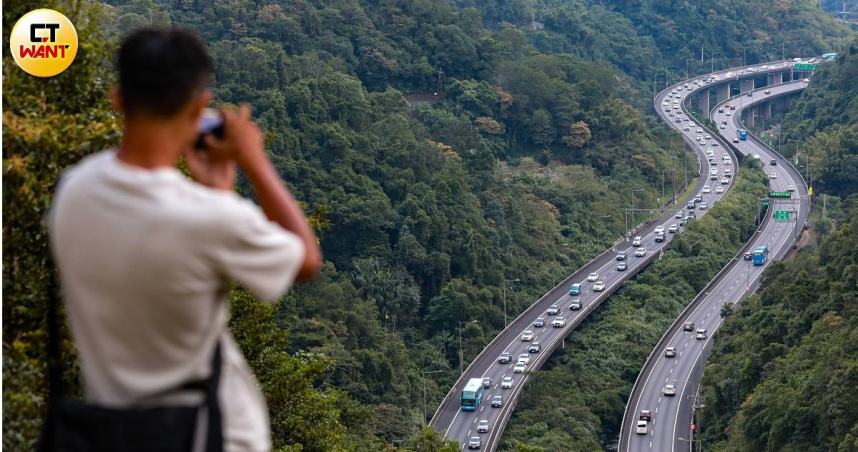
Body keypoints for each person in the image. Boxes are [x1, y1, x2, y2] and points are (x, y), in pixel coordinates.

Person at [47, 27, 322, 451]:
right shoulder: (208, 218)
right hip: (211, 435)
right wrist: (253, 160)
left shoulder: (72, 191)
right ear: (200, 105)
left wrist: (216, 193)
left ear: (118, 98)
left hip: (113, 433)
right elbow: (305, 260)